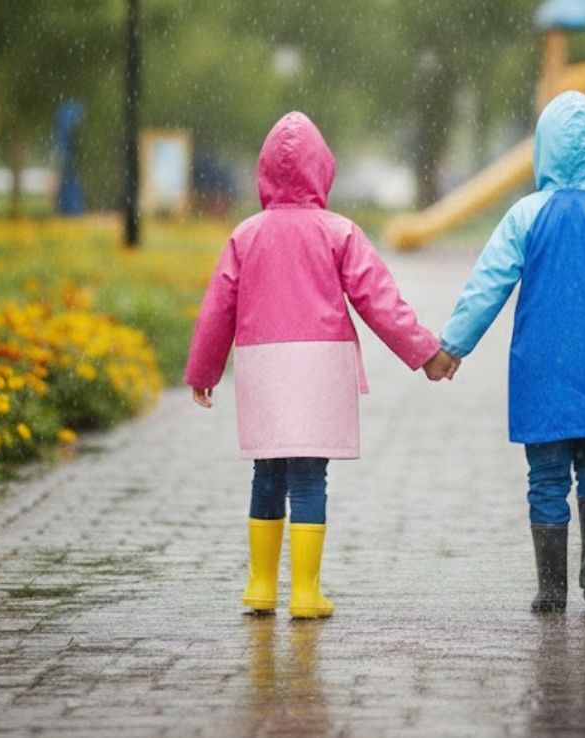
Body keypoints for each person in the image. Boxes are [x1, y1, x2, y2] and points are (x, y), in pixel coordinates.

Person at [185, 111, 456, 619]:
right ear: (322, 170)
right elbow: (379, 300)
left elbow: (218, 307)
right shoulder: (339, 233)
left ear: (264, 171)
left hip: (263, 364)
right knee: (309, 477)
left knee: (267, 473)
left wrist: (204, 371)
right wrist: (425, 353)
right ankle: (306, 593)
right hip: (319, 366)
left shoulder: (246, 235)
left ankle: (261, 585)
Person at [438, 91, 585, 612]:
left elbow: (488, 285)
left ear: (544, 149)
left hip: (541, 368)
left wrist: (453, 345)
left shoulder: (525, 215)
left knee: (546, 476)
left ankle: (552, 588)